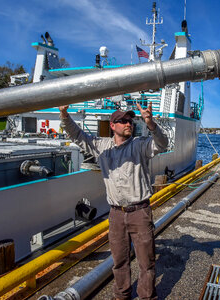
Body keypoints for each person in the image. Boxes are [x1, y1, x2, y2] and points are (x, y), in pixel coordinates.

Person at [59, 102, 168, 300]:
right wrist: (64, 115)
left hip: (140, 213)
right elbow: (78, 136)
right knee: (119, 261)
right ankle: (121, 296)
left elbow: (162, 144)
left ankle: (147, 297)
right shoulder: (102, 147)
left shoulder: (140, 145)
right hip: (116, 214)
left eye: (130, 121)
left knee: (147, 263)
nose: (129, 124)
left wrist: (150, 123)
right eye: (123, 121)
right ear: (112, 125)